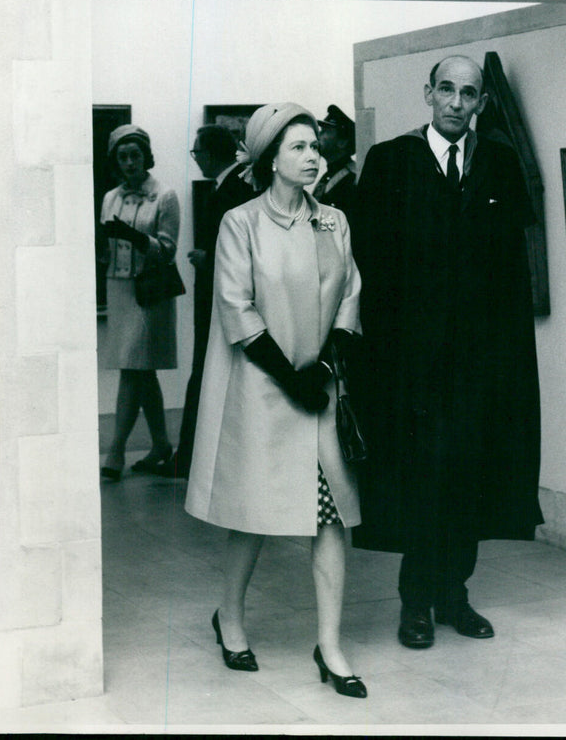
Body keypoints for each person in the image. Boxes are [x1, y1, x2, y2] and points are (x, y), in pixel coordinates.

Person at [350, 57, 543, 650]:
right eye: (447, 90)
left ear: (481, 101)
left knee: (470, 475)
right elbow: (366, 266)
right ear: (428, 94)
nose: (457, 102)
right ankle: (415, 601)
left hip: (481, 361)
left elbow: (512, 268)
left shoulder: (500, 164)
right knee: (421, 478)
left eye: (469, 93)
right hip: (411, 362)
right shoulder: (389, 162)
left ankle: (455, 595)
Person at [185, 104, 367, 697]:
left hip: (320, 393)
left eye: (316, 145)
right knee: (256, 518)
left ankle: (331, 646)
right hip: (267, 392)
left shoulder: (334, 221)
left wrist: (334, 351)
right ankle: (230, 617)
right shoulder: (239, 222)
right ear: (269, 159)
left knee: (332, 517)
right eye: (298, 147)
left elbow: (350, 292)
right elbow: (236, 308)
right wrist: (293, 379)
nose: (314, 155)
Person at [160, 125, 256, 480]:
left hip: (223, 299)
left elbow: (245, 245)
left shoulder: (236, 189)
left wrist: (209, 257)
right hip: (215, 298)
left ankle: (190, 459)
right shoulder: (229, 187)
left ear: (212, 153)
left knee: (206, 373)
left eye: (197, 151)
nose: (195, 157)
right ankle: (192, 458)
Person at [99, 125, 180, 480]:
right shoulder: (110, 197)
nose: (130, 162)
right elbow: (104, 247)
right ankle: (161, 443)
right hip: (118, 290)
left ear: (146, 156)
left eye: (135, 155)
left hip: (149, 293)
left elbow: (168, 250)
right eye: (123, 156)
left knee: (133, 369)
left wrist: (134, 236)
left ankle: (115, 450)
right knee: (140, 370)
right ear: (115, 161)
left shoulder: (164, 195)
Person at [313, 105, 357, 224]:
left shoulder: (353, 179)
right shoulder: (329, 175)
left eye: (325, 131)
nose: (318, 136)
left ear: (342, 142)